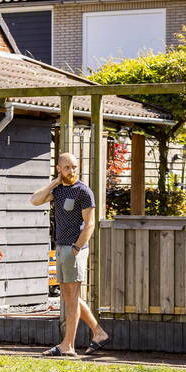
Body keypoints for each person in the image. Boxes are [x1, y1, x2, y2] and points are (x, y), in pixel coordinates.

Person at [30, 152, 109, 357]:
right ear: (59, 169)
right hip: (61, 247)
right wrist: (53, 183)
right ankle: (98, 333)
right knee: (68, 297)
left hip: (74, 250)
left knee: (72, 298)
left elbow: (90, 224)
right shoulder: (58, 191)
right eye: (67, 167)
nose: (72, 171)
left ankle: (68, 345)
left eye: (74, 167)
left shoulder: (83, 192)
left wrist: (76, 248)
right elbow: (34, 200)